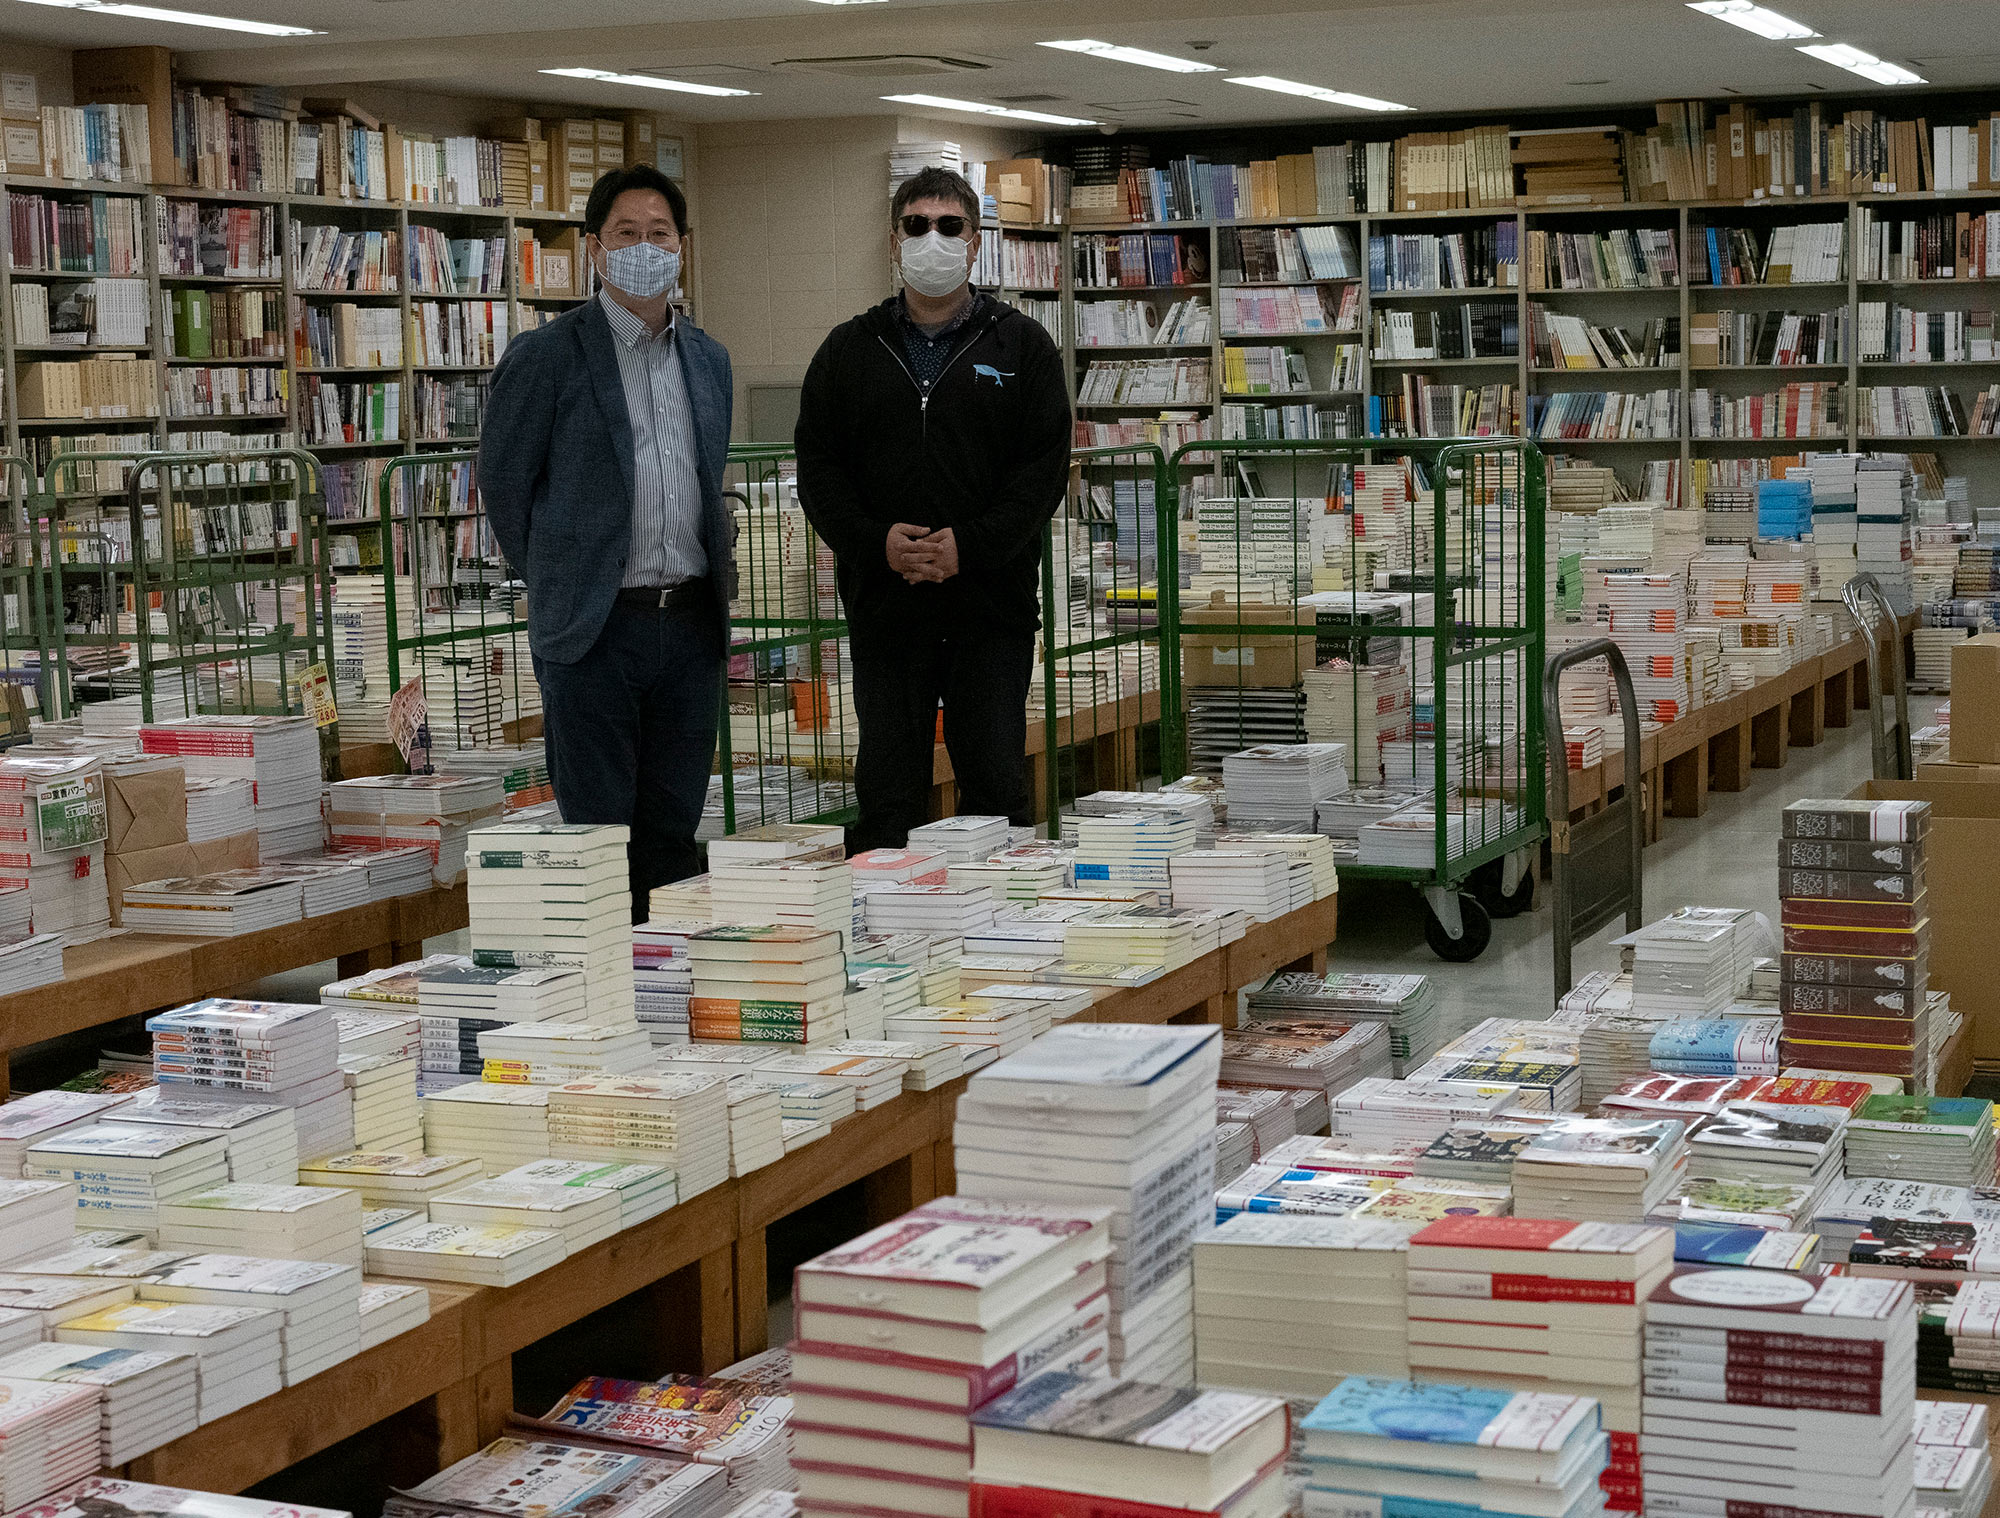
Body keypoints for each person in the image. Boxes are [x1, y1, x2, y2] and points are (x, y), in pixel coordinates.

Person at [481, 164, 734, 922]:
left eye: (660, 233)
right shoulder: (547, 355)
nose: (645, 247)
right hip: (595, 630)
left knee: (673, 832)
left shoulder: (709, 360)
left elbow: (705, 476)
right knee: (597, 841)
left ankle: (665, 976)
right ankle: (605, 982)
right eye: (626, 233)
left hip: (688, 625)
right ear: (594, 248)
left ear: (683, 247)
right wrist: (565, 578)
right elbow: (505, 489)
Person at [794, 165, 1071, 852]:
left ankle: (999, 918)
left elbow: (1041, 473)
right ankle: (883, 917)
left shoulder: (1022, 346)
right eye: (917, 225)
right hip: (887, 612)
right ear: (894, 241)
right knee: (887, 798)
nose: (933, 238)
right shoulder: (848, 350)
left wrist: (969, 546)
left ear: (975, 242)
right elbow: (819, 470)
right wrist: (875, 543)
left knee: (996, 794)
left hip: (991, 610)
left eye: (950, 225)